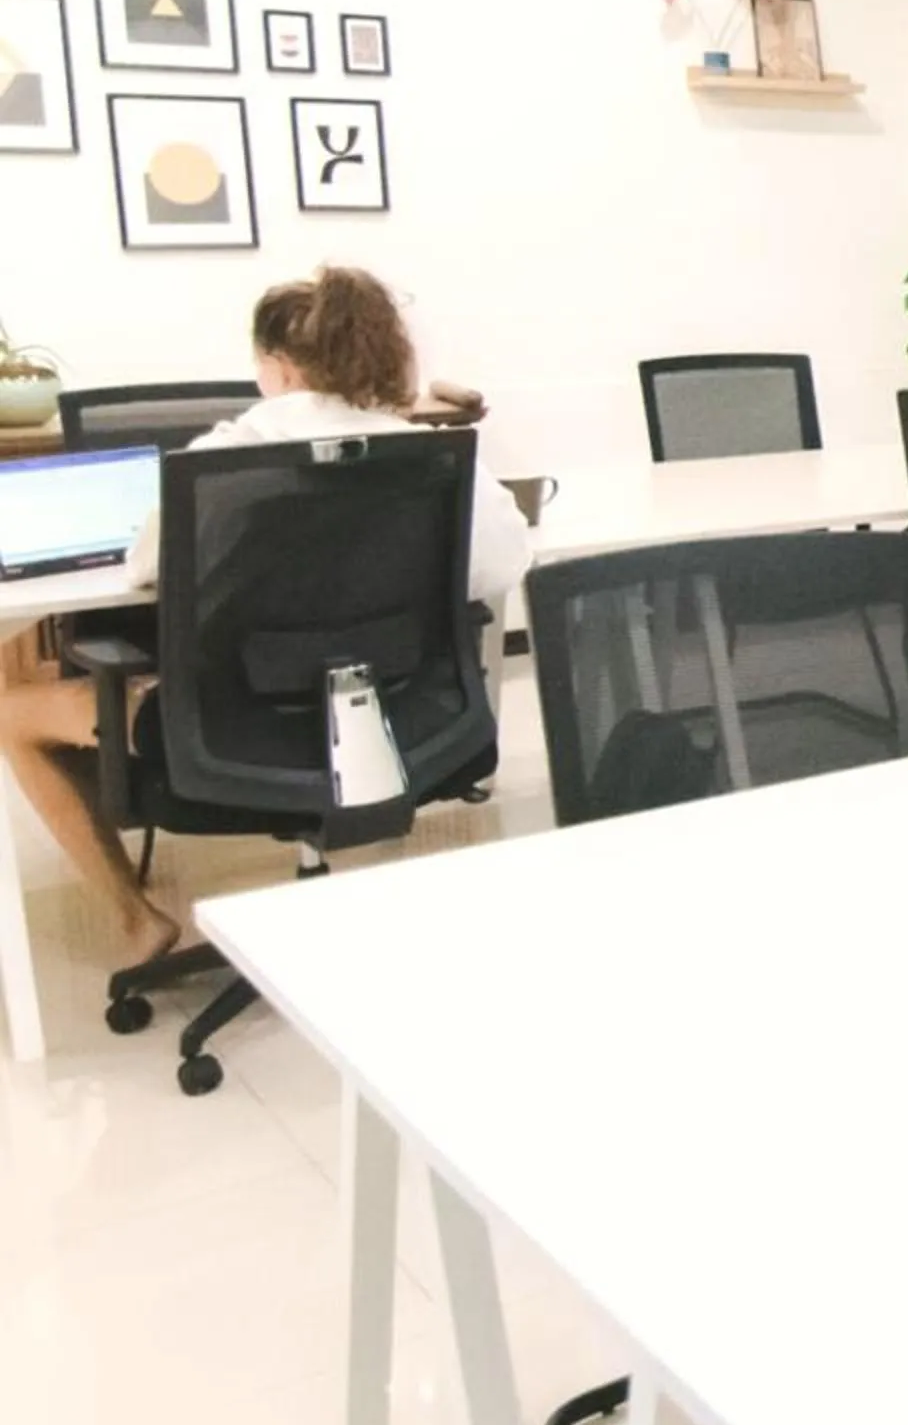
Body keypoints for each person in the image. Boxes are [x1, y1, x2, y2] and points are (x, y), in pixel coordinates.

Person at [0, 268, 531, 968]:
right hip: (401, 720)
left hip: (235, 735)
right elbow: (502, 564)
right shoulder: (431, 457)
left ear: (275, 368)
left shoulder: (220, 465)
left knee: (11, 710)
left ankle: (137, 922)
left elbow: (144, 570)